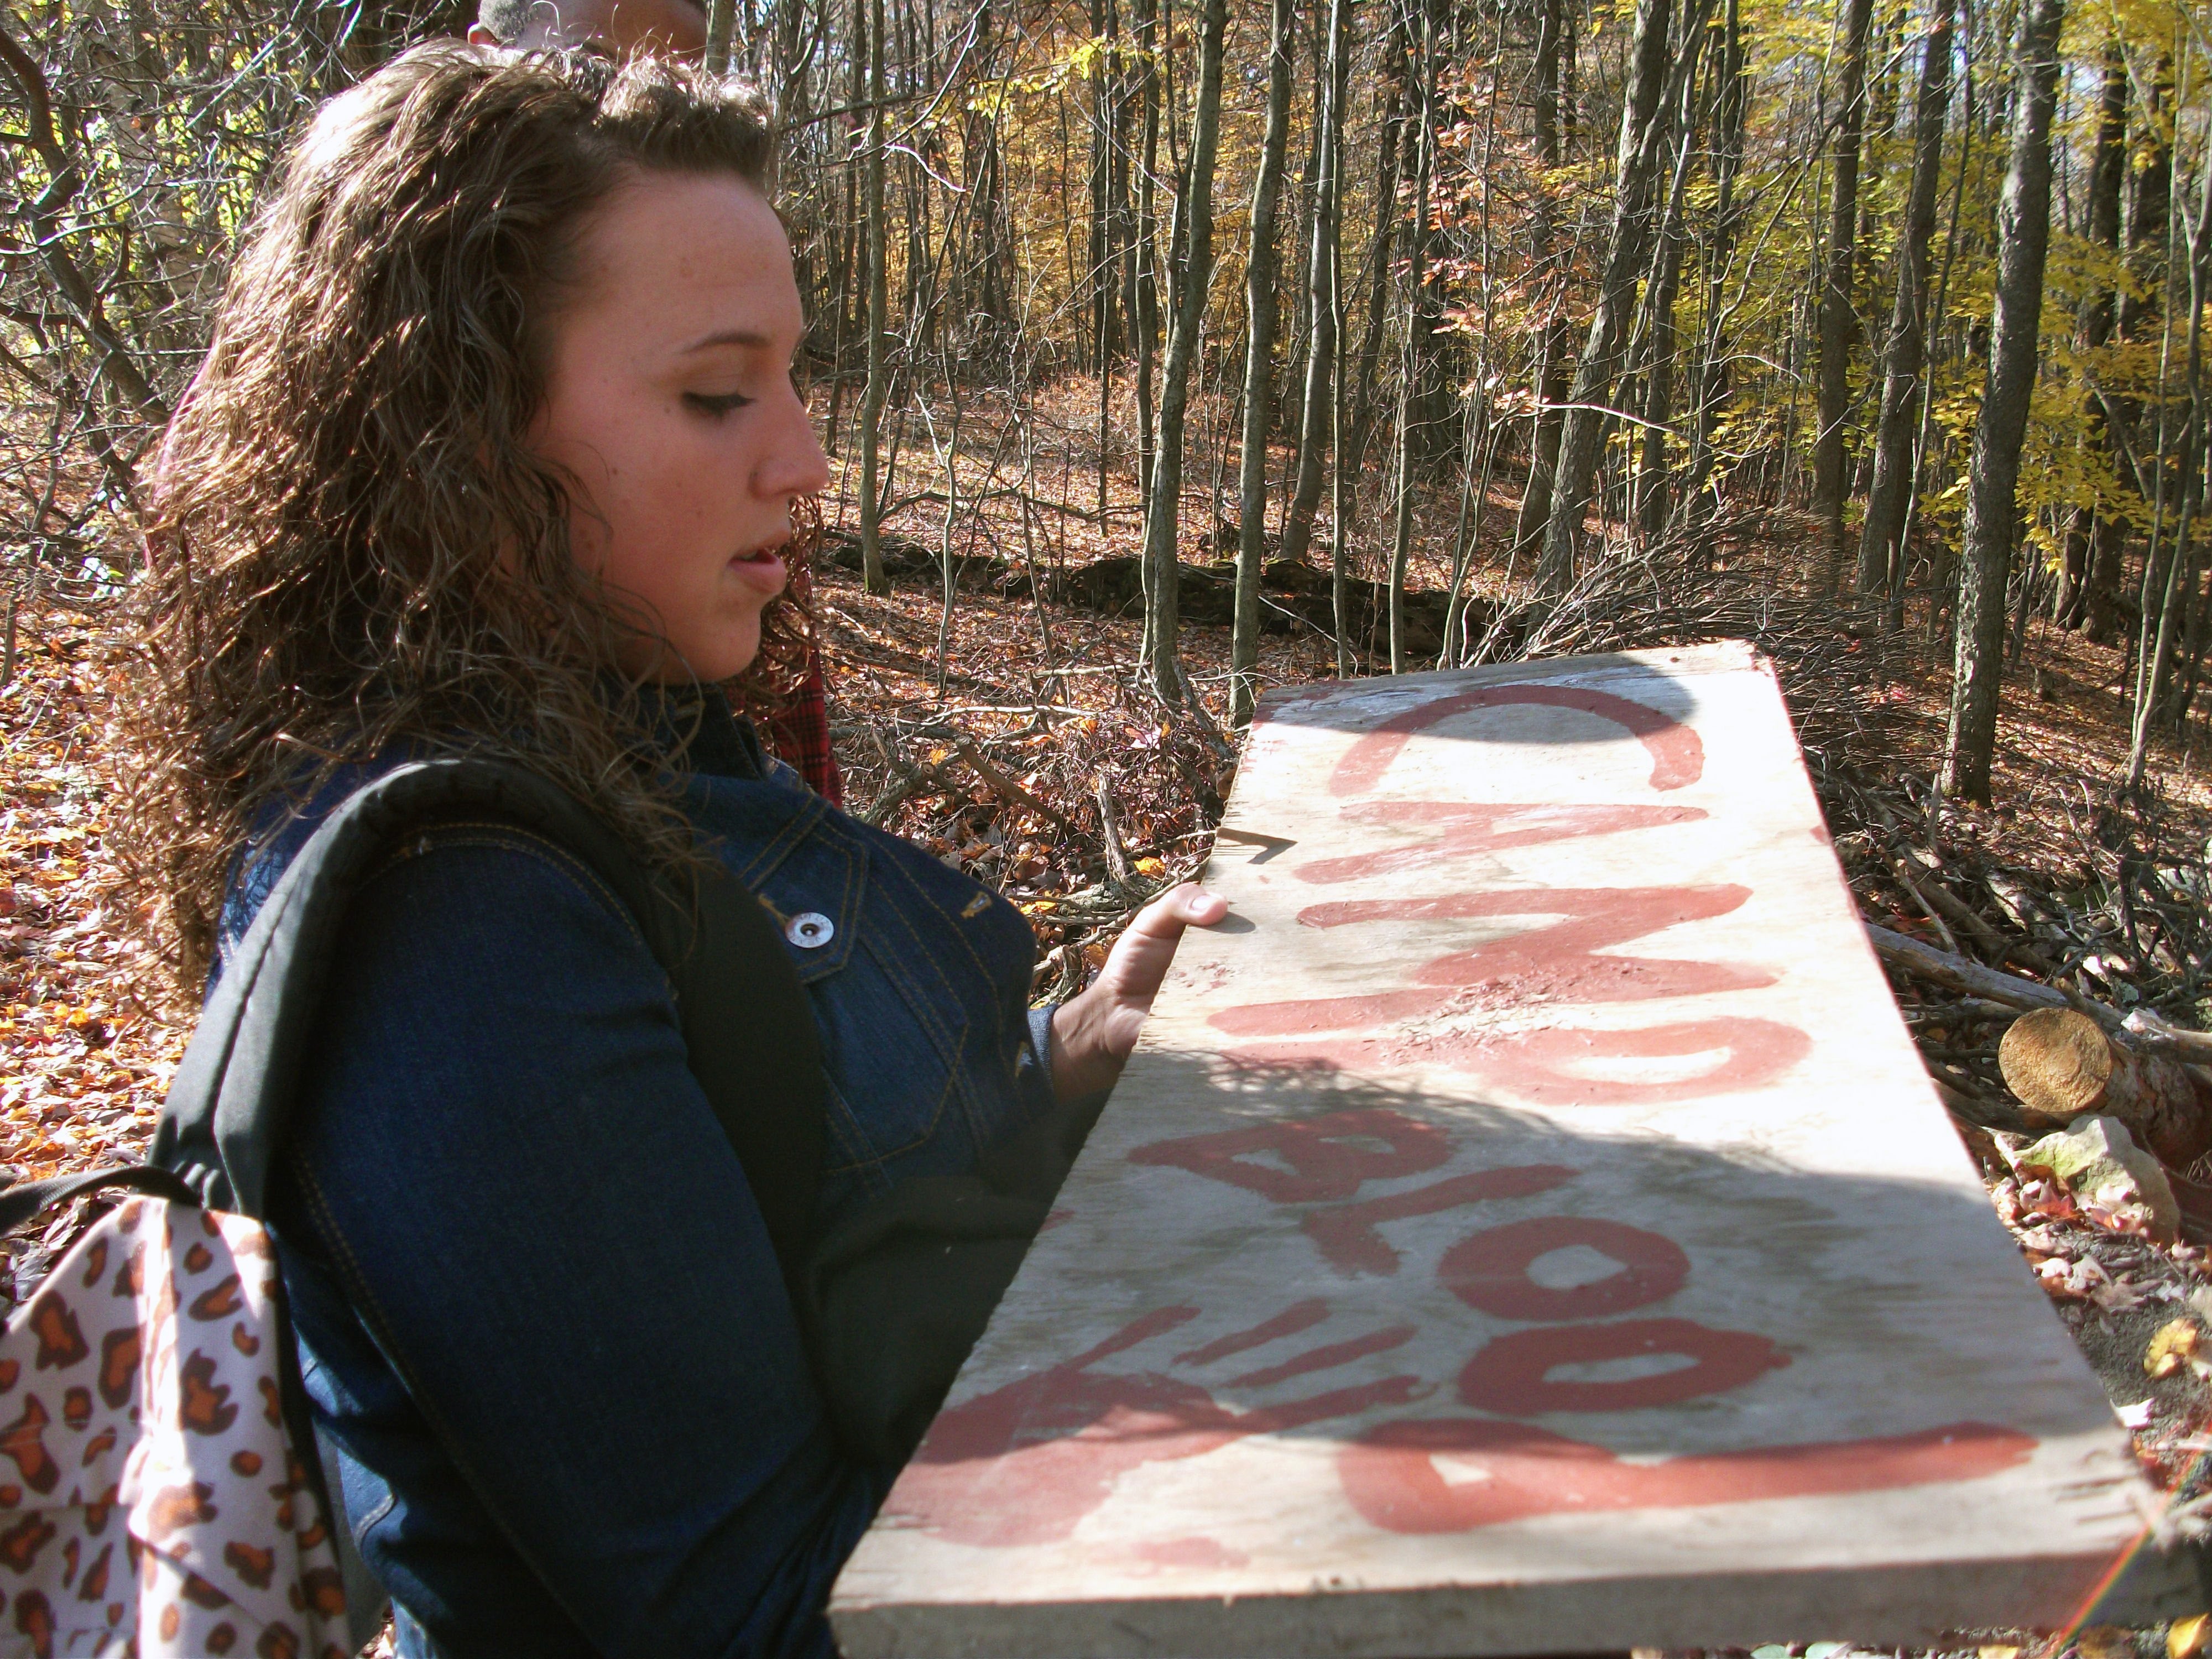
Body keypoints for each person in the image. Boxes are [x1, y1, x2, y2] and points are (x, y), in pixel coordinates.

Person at [123, 43, 1224, 1658]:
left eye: (792, 380)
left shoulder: (621, 729)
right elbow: (765, 1612)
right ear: (454, 429)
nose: (803, 459)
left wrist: (1061, 1068)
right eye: (717, 394)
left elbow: (786, 1201)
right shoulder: (453, 920)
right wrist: (1263, 1386)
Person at [467, 0, 852, 808]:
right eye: (593, 66)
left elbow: (802, 832)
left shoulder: (717, 556)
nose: (645, 102)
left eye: (686, 71)